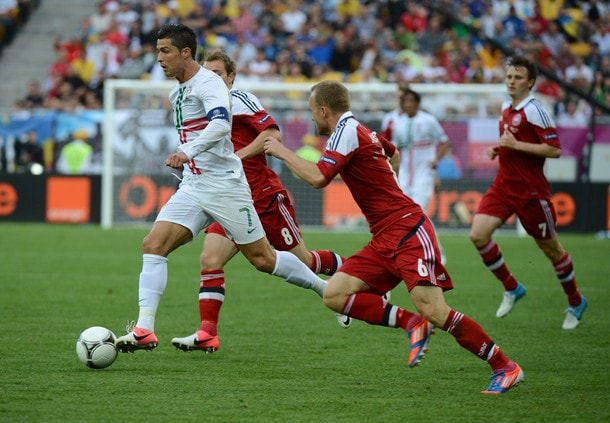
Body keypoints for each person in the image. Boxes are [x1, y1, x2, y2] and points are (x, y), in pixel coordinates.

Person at [263, 80, 523, 394]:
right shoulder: (363, 131)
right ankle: (411, 323)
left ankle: (504, 366)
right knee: (334, 294)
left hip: (408, 229)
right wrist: (391, 185)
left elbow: (318, 177)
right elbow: (393, 153)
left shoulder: (346, 131)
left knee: (435, 310)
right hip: (385, 235)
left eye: (312, 112)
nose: (312, 119)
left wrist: (280, 151)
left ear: (323, 109)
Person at [115, 24, 342, 353]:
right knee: (154, 244)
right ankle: (144, 329)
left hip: (226, 187)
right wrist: (190, 160)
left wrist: (187, 153)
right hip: (194, 186)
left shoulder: (211, 85)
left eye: (165, 51)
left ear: (185, 53)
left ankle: (326, 290)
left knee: (264, 260)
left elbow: (221, 124)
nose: (159, 58)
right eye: (157, 51)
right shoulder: (175, 92)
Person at [170, 50, 348, 353]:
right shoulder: (196, 103)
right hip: (228, 198)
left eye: (217, 74)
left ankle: (358, 278)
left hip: (263, 195)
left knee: (303, 261)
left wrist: (236, 157)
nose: (210, 78)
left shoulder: (239, 99)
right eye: (206, 73)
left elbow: (272, 134)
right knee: (210, 259)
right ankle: (207, 333)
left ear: (230, 77)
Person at [468, 55, 588, 330]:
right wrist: (499, 148)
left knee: (551, 249)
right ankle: (512, 287)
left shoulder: (536, 110)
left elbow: (554, 149)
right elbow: (515, 140)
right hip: (503, 186)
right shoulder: (505, 107)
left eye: (518, 77)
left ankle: (576, 300)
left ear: (530, 82)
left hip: (530, 193)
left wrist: (515, 145)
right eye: (509, 76)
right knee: (478, 234)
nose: (511, 81)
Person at [381, 87, 451, 264]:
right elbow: (394, 149)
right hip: (404, 174)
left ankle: (437, 253)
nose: (408, 104)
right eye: (406, 102)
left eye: (412, 101)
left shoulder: (428, 120)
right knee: (404, 214)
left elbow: (444, 141)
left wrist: (436, 161)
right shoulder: (398, 122)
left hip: (424, 174)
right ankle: (412, 251)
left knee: (420, 213)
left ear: (418, 103)